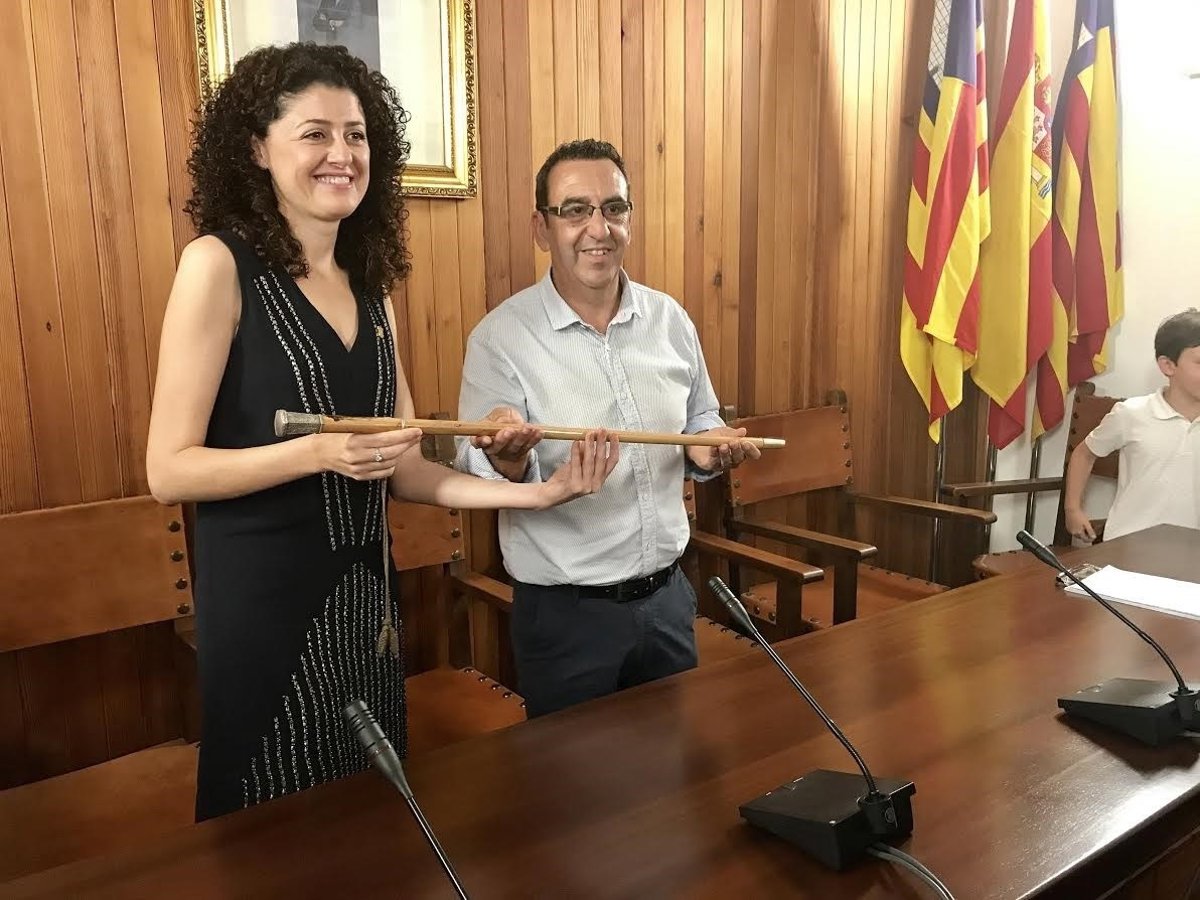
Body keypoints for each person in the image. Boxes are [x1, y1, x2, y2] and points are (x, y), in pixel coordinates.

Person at [145, 45, 617, 821]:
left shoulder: (372, 292)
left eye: (357, 135)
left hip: (367, 608)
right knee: (271, 833)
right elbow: (169, 470)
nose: (342, 153)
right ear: (258, 148)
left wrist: (538, 495)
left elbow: (407, 468)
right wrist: (317, 452)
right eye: (315, 133)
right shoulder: (216, 265)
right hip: (263, 614)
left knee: (370, 825)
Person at [455, 139, 759, 718]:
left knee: (673, 766)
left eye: (613, 208)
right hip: (565, 618)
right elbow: (476, 470)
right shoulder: (500, 338)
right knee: (571, 775)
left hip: (669, 599)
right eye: (575, 210)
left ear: (629, 219)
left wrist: (709, 447)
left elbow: (700, 416)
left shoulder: (670, 320)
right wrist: (507, 457)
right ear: (542, 228)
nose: (598, 228)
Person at [1064, 308, 1200, 542]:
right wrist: (1073, 509)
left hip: (1190, 552)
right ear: (1168, 365)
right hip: (1127, 546)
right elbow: (1084, 453)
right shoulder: (1131, 414)